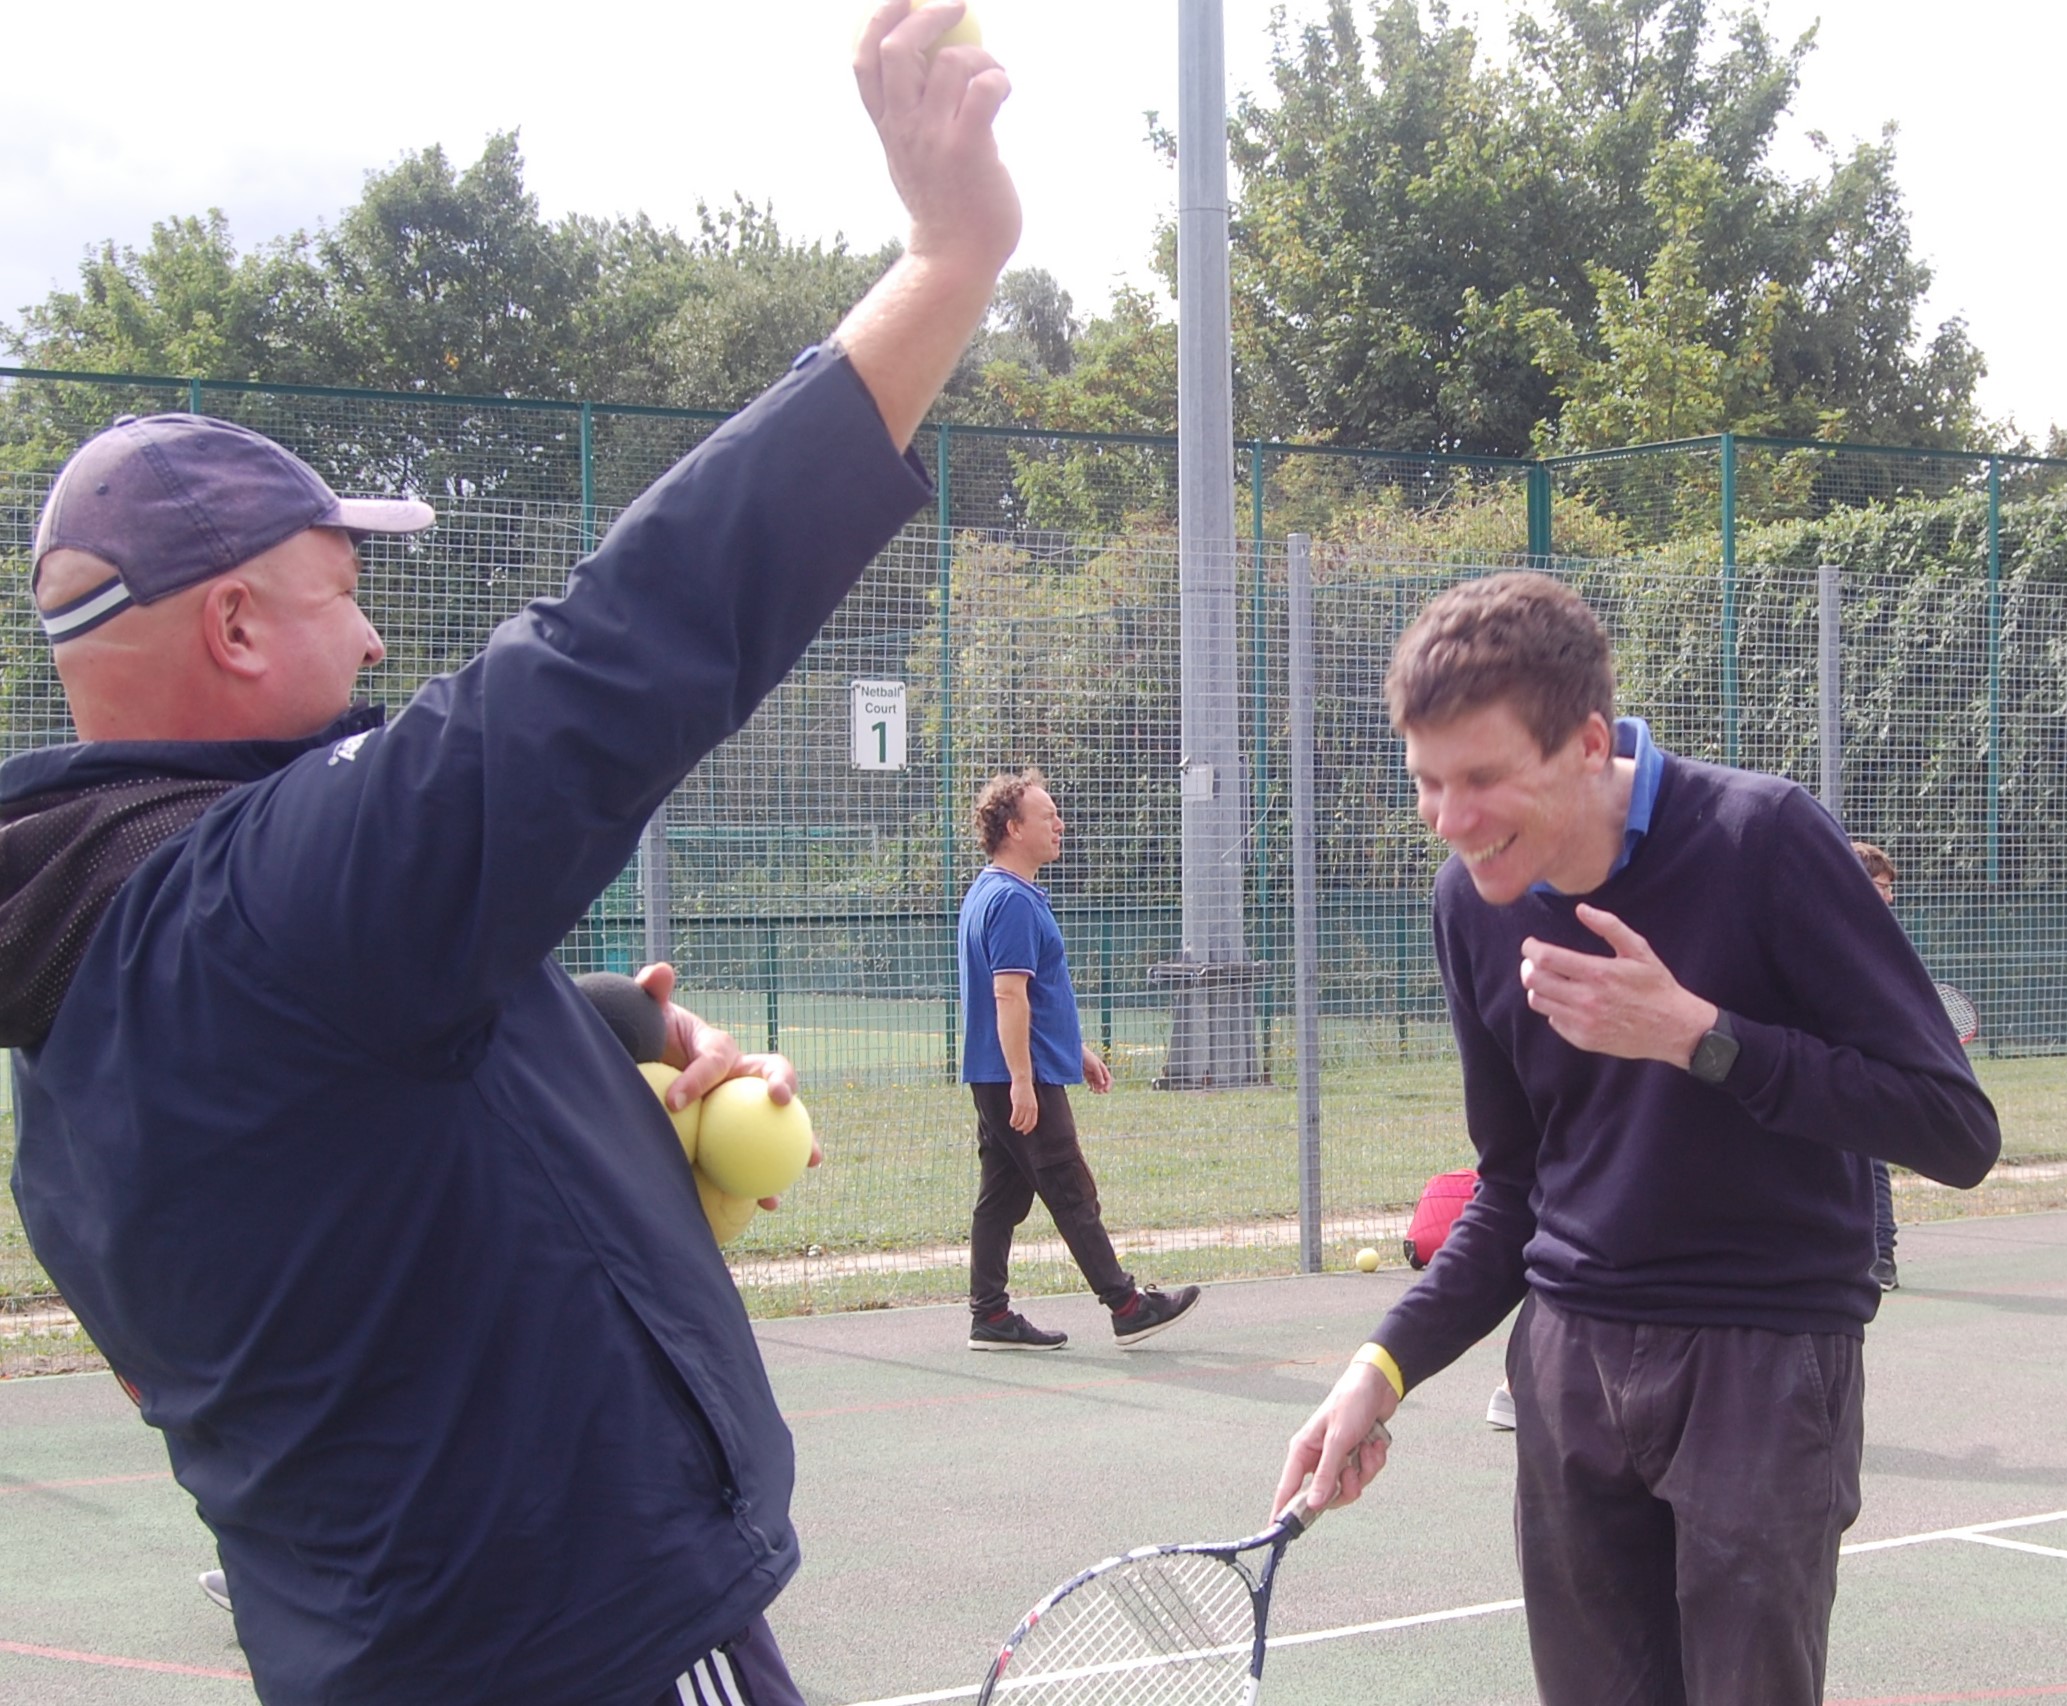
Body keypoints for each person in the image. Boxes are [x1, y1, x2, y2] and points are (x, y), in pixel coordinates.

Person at [1, 4, 1017, 1700]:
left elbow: (346, 1166)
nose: (381, 644)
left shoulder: (74, 1040)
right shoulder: (283, 902)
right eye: (345, 593)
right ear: (237, 625)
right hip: (586, 1651)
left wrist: (598, 1045)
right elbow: (628, 640)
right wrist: (947, 263)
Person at [1272, 572, 2001, 1706]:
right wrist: (1382, 1368)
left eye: (1482, 778)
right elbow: (1513, 1188)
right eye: (1427, 782)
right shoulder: (1468, 903)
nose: (1451, 818)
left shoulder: (1762, 838)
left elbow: (1954, 1127)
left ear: (1585, 742)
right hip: (1568, 1363)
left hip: (1762, 1362)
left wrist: (1702, 1036)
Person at [959, 770, 1201, 1351]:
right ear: (1014, 828)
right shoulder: (1012, 902)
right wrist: (1024, 1080)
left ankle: (989, 1315)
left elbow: (1033, 997)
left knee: (1002, 1195)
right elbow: (1008, 995)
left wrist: (1076, 1051)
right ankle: (1126, 1305)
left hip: (1007, 1072)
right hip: (1020, 1077)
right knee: (1070, 1189)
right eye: (1048, 816)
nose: (1059, 824)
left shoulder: (990, 892)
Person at [1850, 839, 1903, 1290]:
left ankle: (1882, 1256)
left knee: (1869, 1159)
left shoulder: (1884, 938)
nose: (1890, 896)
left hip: (1869, 1063)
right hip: (1836, 1060)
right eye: (1884, 886)